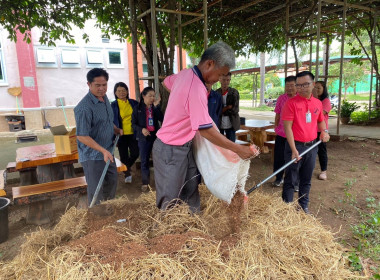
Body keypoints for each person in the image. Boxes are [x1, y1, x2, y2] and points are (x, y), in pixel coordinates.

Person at [153, 41, 256, 213]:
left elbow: (166, 82)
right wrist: (237, 148)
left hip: (186, 144)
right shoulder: (195, 88)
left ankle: (193, 228)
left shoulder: (186, 74)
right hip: (170, 148)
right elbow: (205, 130)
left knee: (190, 186)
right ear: (210, 64)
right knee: (170, 198)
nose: (219, 80)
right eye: (221, 74)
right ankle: (169, 235)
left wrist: (181, 102)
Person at [282, 71, 330, 214]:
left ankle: (303, 206)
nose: (302, 88)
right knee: (290, 179)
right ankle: (287, 208)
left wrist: (324, 131)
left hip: (311, 146)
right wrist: (293, 149)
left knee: (306, 179)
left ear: (313, 84)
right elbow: (287, 128)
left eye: (306, 84)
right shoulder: (291, 103)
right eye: (299, 85)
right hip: (294, 146)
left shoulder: (317, 103)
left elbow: (321, 121)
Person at [74, 68, 122, 206]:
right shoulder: (84, 108)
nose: (102, 88)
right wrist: (102, 150)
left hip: (108, 151)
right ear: (88, 84)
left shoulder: (104, 98)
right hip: (93, 156)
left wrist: (115, 129)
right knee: (96, 191)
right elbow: (82, 135)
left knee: (111, 182)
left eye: (104, 85)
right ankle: (97, 218)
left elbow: (106, 120)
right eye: (98, 85)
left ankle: (108, 211)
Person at [132, 87, 163, 192]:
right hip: (143, 138)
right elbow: (133, 124)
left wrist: (156, 107)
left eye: (154, 96)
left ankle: (160, 181)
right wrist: (141, 129)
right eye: (150, 95)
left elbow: (161, 118)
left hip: (155, 137)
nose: (152, 98)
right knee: (144, 160)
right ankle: (145, 183)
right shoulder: (137, 108)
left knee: (158, 159)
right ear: (143, 96)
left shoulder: (154, 108)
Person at [111, 82, 139, 184]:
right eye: (119, 91)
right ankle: (127, 174)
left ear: (127, 91)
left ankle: (126, 167)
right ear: (115, 93)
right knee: (123, 155)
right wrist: (116, 130)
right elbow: (110, 120)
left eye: (124, 90)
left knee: (135, 153)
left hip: (133, 132)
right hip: (121, 134)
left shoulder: (133, 103)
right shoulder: (113, 105)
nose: (122, 93)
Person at [272, 75, 297, 187]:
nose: (290, 88)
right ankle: (278, 178)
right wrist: (276, 127)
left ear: (297, 86)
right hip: (281, 133)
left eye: (292, 85)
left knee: (293, 158)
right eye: (287, 85)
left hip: (295, 134)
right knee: (279, 157)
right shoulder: (281, 98)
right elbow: (277, 114)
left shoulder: (299, 98)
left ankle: (294, 182)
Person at [312, 81, 331, 180]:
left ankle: (323, 171)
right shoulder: (311, 100)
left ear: (324, 89)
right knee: (310, 151)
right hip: (311, 131)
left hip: (321, 130)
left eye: (319, 88)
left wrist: (314, 101)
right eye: (315, 88)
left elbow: (319, 114)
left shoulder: (326, 101)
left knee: (322, 151)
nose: (317, 90)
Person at [216, 72, 240, 142]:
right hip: (219, 124)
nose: (226, 82)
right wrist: (227, 107)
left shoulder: (234, 92)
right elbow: (215, 110)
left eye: (228, 80)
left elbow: (235, 109)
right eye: (224, 80)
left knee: (231, 145)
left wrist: (221, 110)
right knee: (219, 146)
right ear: (219, 79)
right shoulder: (216, 93)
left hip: (231, 124)